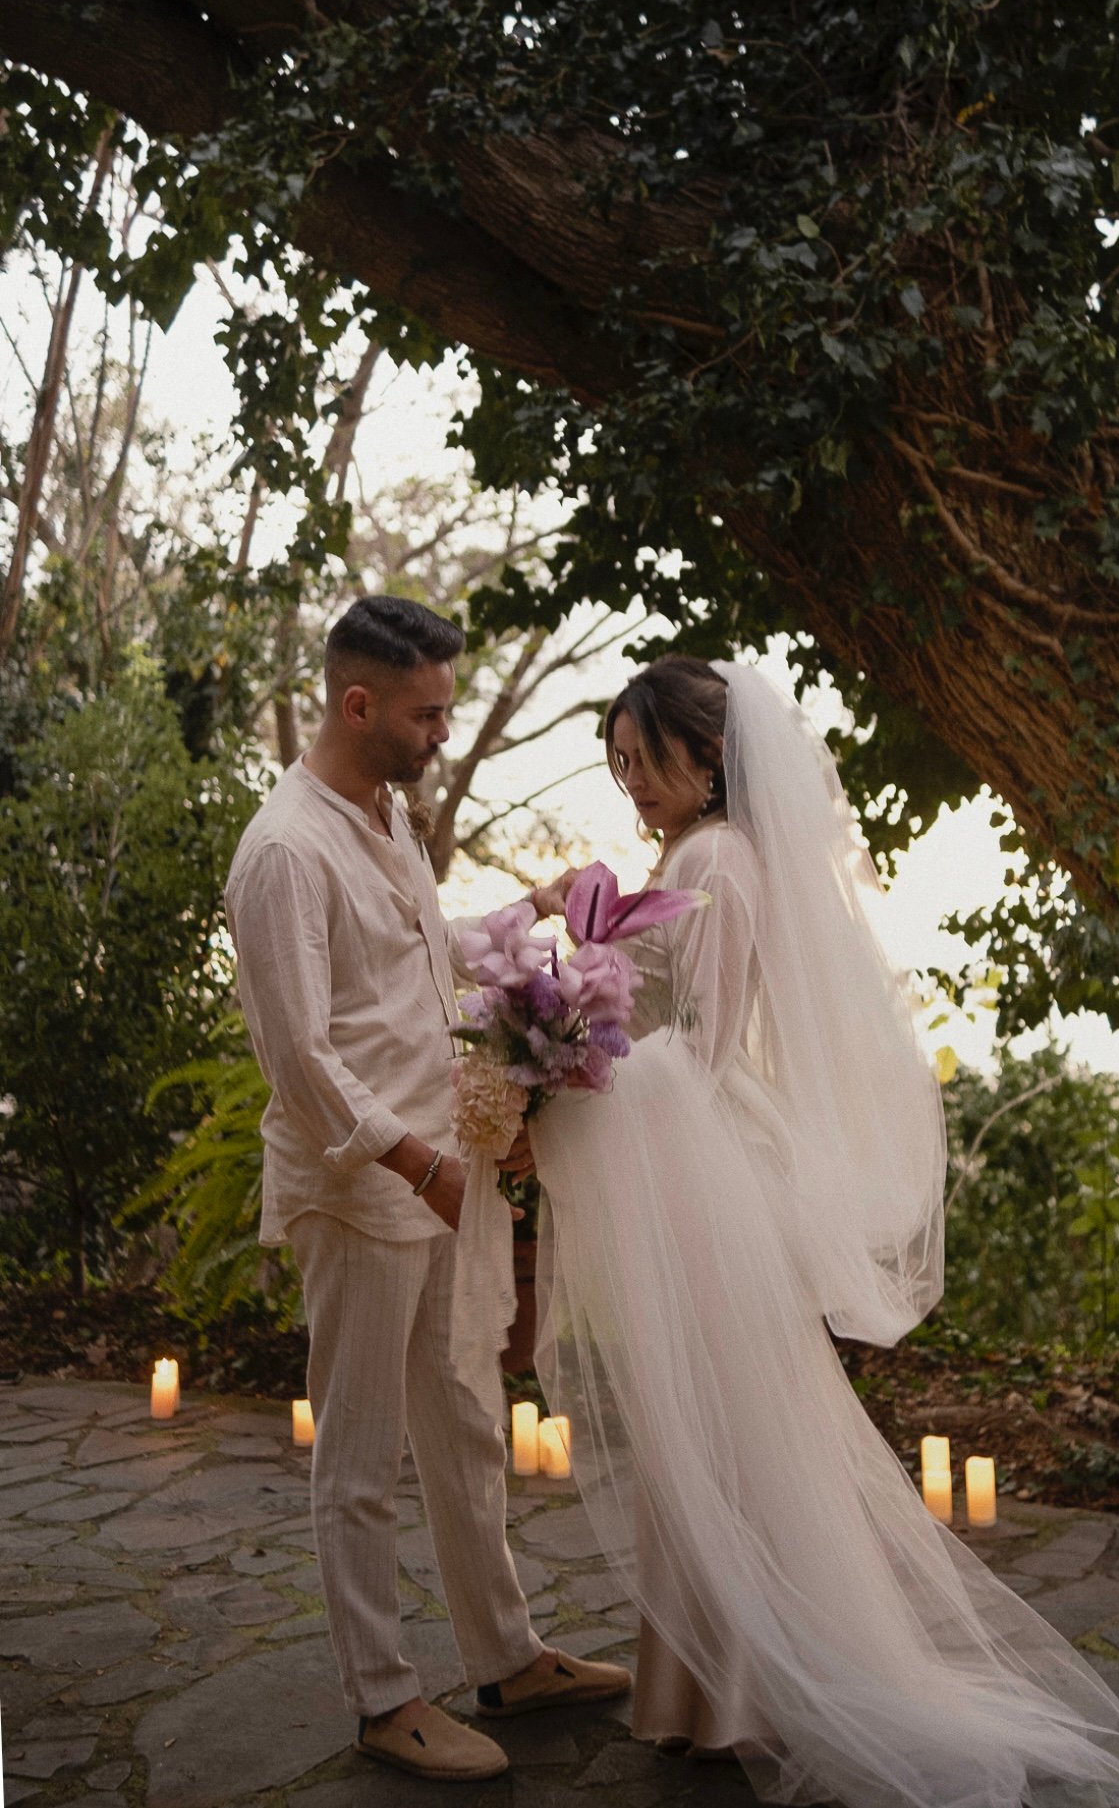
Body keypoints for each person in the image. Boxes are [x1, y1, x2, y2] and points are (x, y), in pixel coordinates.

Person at [523, 654, 1119, 1808]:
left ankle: (752, 1693)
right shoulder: (693, 856)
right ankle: (711, 1695)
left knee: (727, 1436)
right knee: (710, 1435)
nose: (631, 782)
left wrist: (565, 1065)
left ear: (706, 754)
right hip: (693, 1168)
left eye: (644, 759)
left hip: (703, 1174)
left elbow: (705, 1043)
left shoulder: (715, 860)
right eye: (618, 764)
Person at [224, 595, 630, 1784]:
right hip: (363, 1188)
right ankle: (383, 1698)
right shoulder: (285, 852)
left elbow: (423, 952)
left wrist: (533, 912)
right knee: (359, 1454)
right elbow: (301, 1060)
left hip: (440, 1173)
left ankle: (505, 1656)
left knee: (463, 1422)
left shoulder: (386, 813)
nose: (444, 731)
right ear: (358, 705)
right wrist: (421, 1167)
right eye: (427, 713)